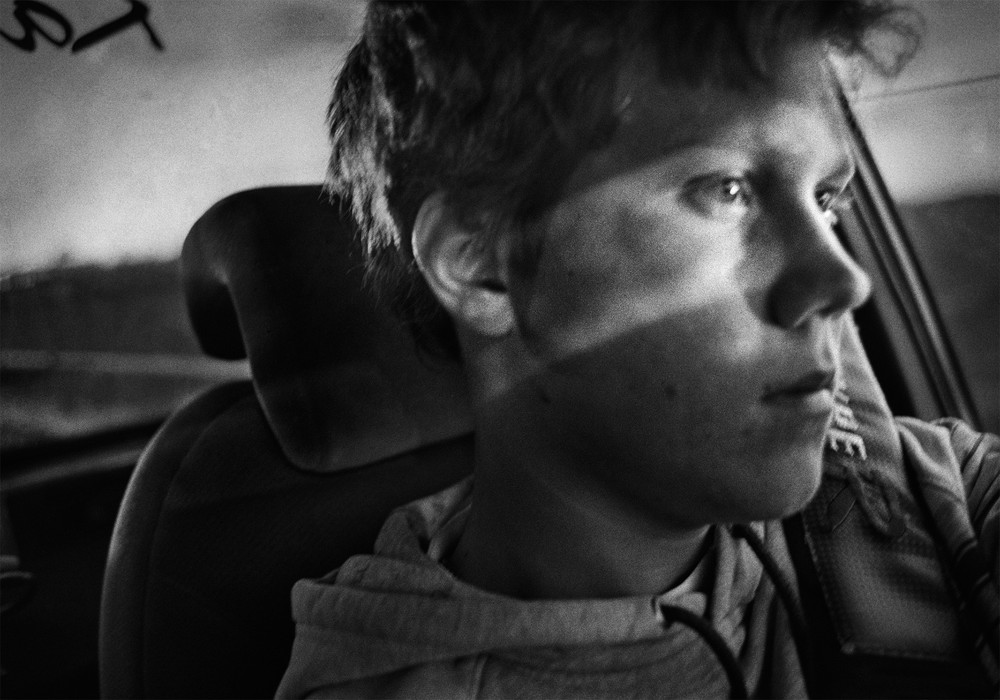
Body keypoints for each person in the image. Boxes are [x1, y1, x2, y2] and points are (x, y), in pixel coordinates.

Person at [277, 2, 999, 697]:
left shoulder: (931, 496)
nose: (844, 281)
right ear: (482, 264)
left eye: (826, 200)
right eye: (727, 190)